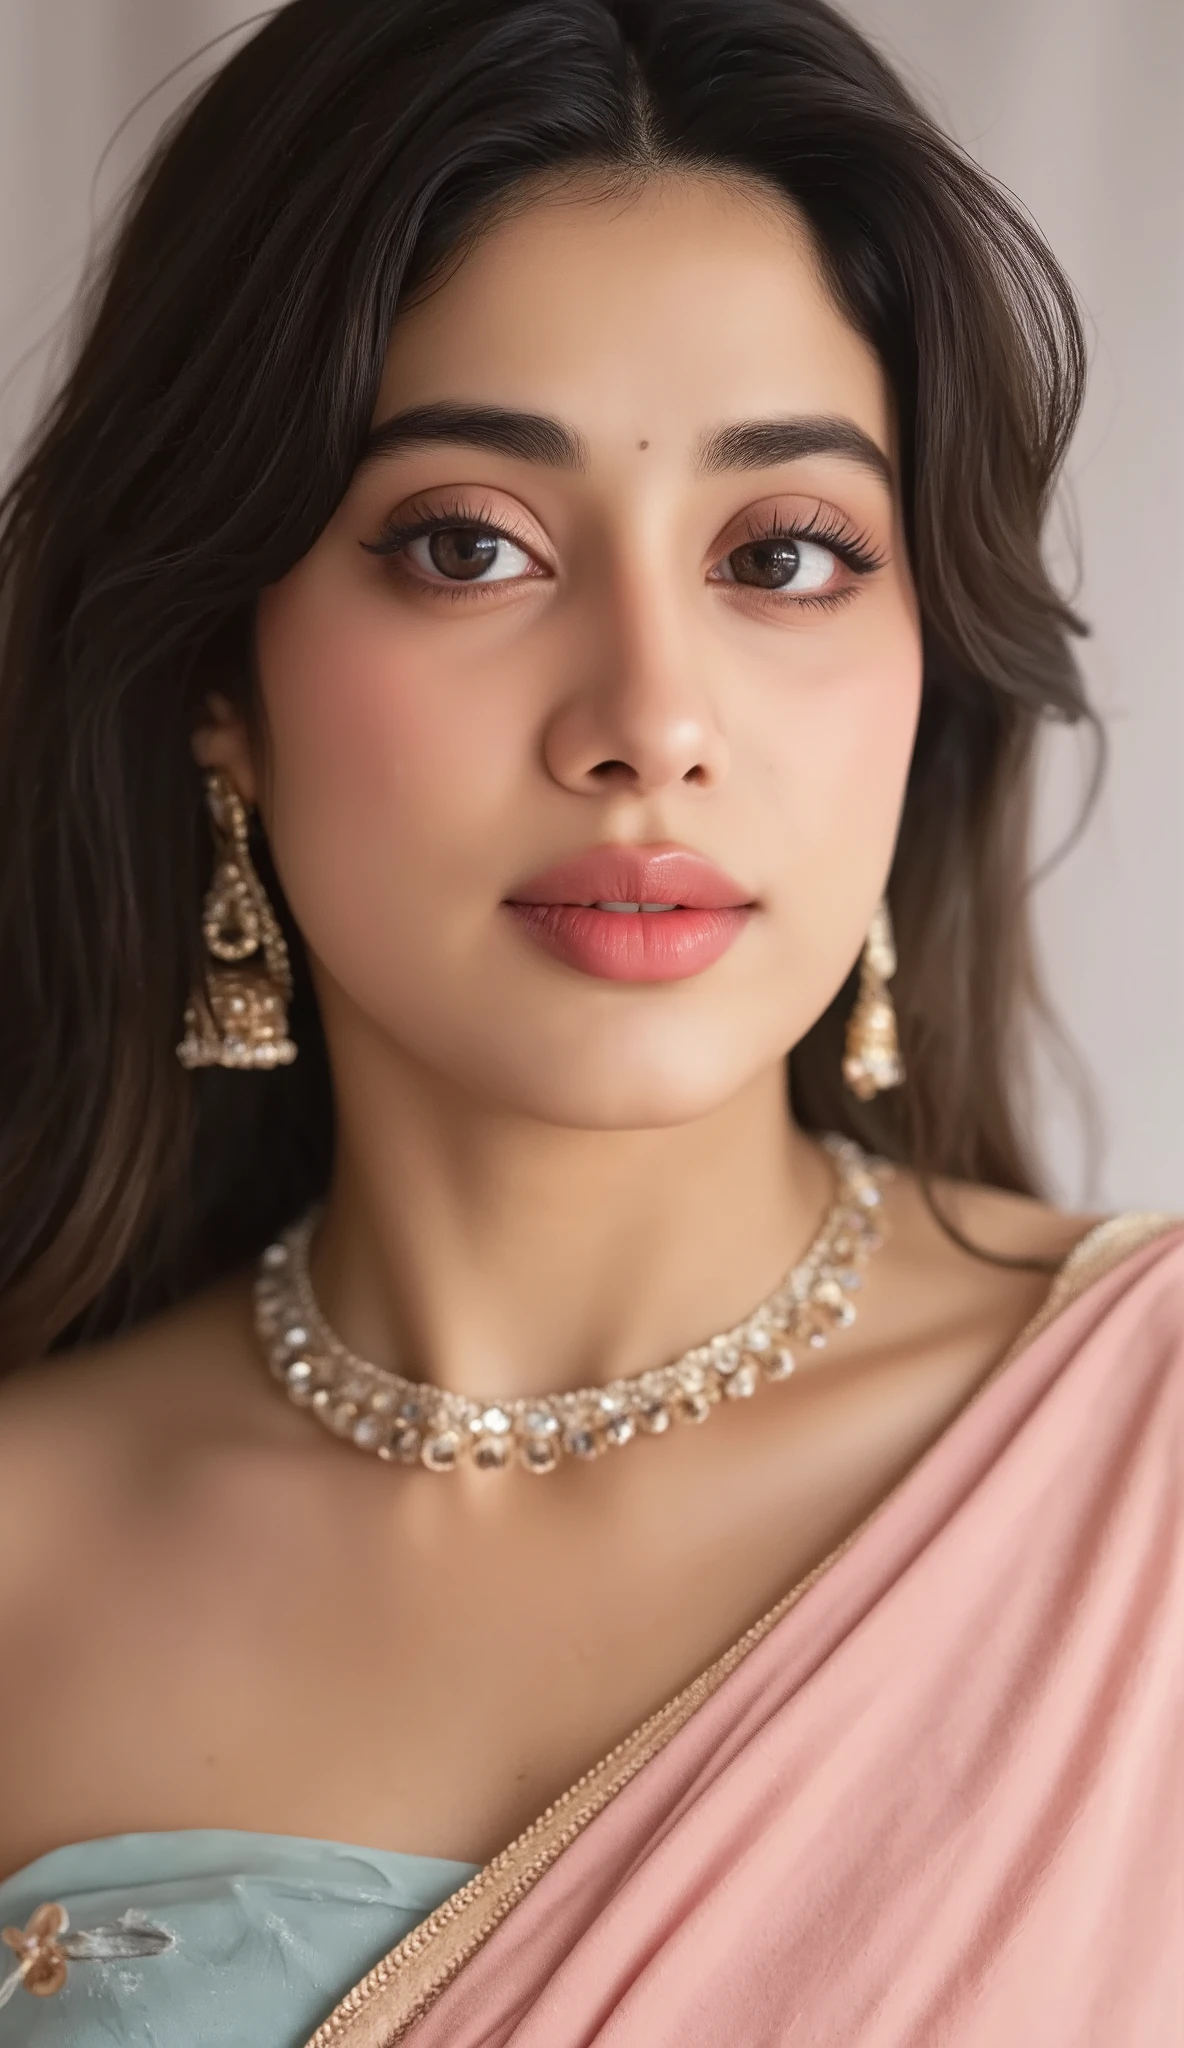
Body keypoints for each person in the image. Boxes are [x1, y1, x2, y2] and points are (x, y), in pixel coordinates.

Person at [0, 0, 1179, 2040]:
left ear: (923, 668)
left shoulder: (1139, 1472)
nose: (648, 721)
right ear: (220, 671)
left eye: (786, 554)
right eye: (471, 546)